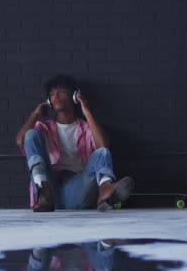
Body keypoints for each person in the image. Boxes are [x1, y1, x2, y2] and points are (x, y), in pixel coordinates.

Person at [15, 74, 134, 212]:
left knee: (102, 152)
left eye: (61, 91)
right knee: (31, 134)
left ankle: (105, 189)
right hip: (50, 189)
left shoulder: (86, 128)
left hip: (76, 189)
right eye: (52, 94)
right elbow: (20, 140)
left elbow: (103, 146)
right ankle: (42, 189)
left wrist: (86, 110)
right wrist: (35, 114)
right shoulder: (44, 128)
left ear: (74, 96)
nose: (56, 96)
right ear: (48, 100)